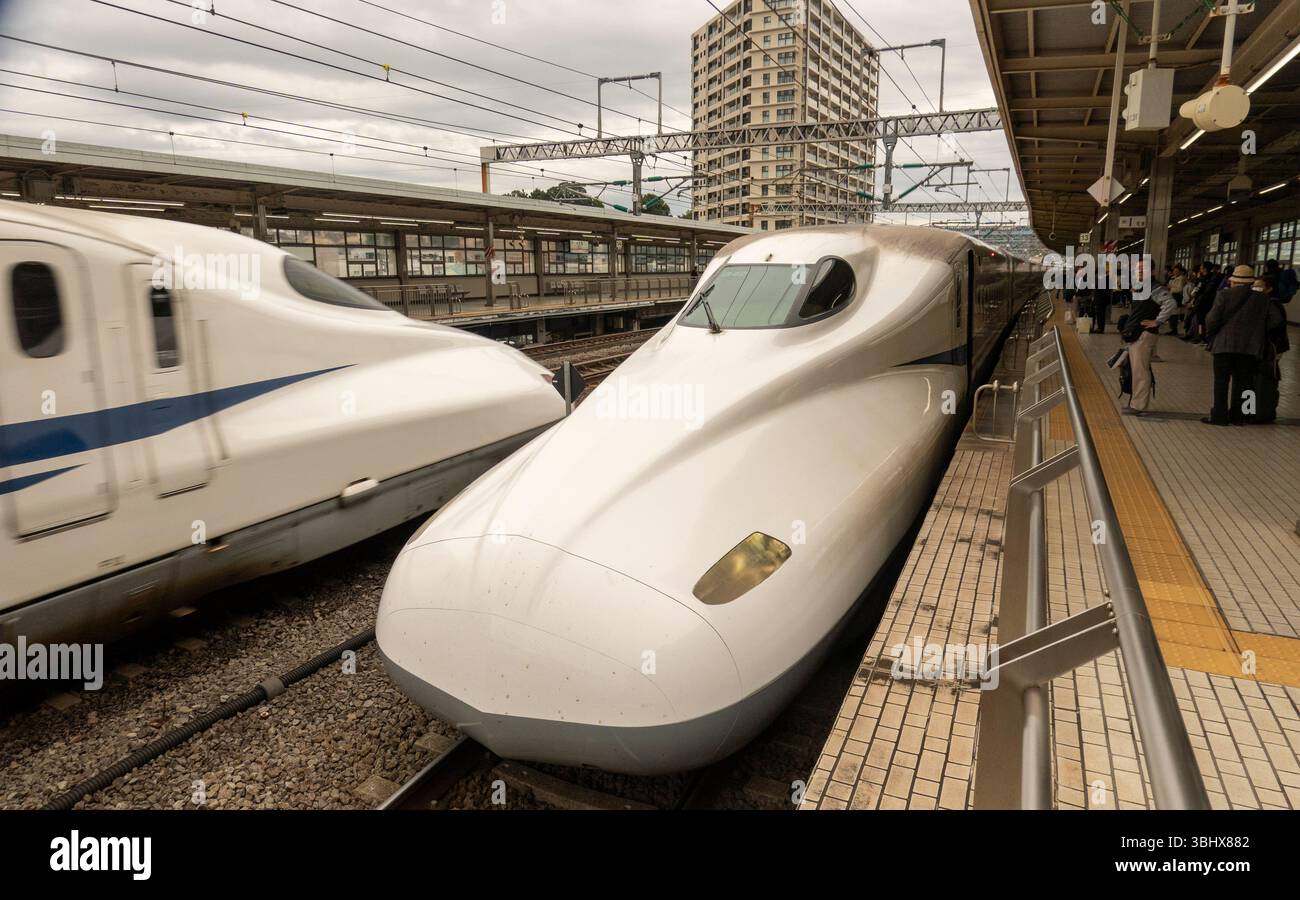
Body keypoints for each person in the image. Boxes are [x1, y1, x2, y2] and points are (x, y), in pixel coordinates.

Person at [1201, 264, 1284, 426]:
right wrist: (1257, 330)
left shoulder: (1224, 295)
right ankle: (1238, 416)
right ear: (1250, 282)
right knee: (1243, 381)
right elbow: (1276, 320)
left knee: (1221, 382)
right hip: (1249, 347)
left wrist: (1213, 334)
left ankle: (1219, 416)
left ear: (1233, 281)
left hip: (1224, 346)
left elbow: (1211, 319)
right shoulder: (1263, 298)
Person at [1123, 280, 1168, 416]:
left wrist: (1158, 321)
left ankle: (1139, 406)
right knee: (1137, 369)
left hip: (1144, 334)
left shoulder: (1155, 288)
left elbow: (1171, 304)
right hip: (1137, 334)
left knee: (1140, 370)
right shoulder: (1142, 287)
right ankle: (1136, 403)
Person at [1254, 274, 1290, 424]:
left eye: (1259, 286)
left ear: (1269, 289)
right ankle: (1257, 411)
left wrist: (1259, 331)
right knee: (1261, 379)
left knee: (1264, 379)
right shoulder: (1267, 302)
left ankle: (1260, 412)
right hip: (1268, 348)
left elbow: (1275, 323)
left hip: (1271, 348)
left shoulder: (1271, 303)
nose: (1255, 289)